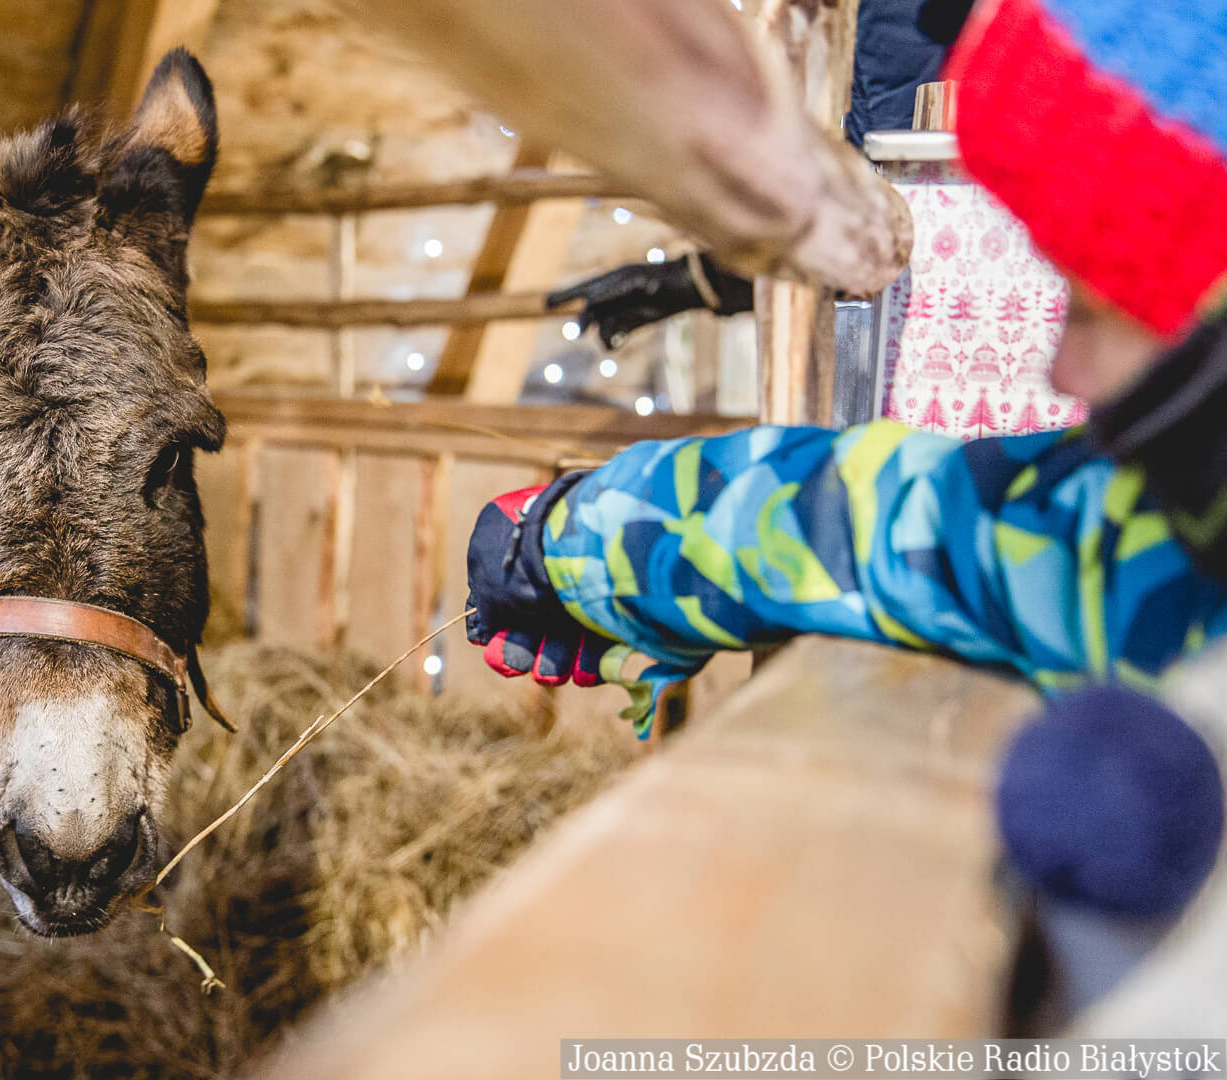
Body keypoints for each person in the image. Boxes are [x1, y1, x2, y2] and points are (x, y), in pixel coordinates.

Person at [464, 0, 1227, 740]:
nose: (1061, 370)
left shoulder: (1156, 576)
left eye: (1093, 308)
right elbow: (895, 525)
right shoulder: (1150, 545)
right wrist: (577, 544)